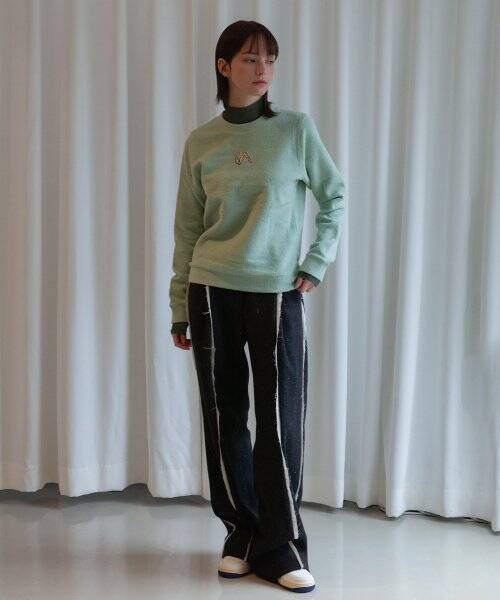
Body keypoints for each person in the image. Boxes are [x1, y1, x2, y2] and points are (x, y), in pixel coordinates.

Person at [169, 20, 345, 593]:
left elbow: (335, 195)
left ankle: (282, 542)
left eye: (270, 58)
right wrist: (179, 305)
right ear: (224, 67)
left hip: (276, 292)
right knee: (224, 416)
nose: (263, 69)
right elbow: (188, 228)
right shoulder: (201, 141)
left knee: (279, 419)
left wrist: (316, 261)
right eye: (249, 59)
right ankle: (241, 532)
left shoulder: (295, 129)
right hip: (210, 289)